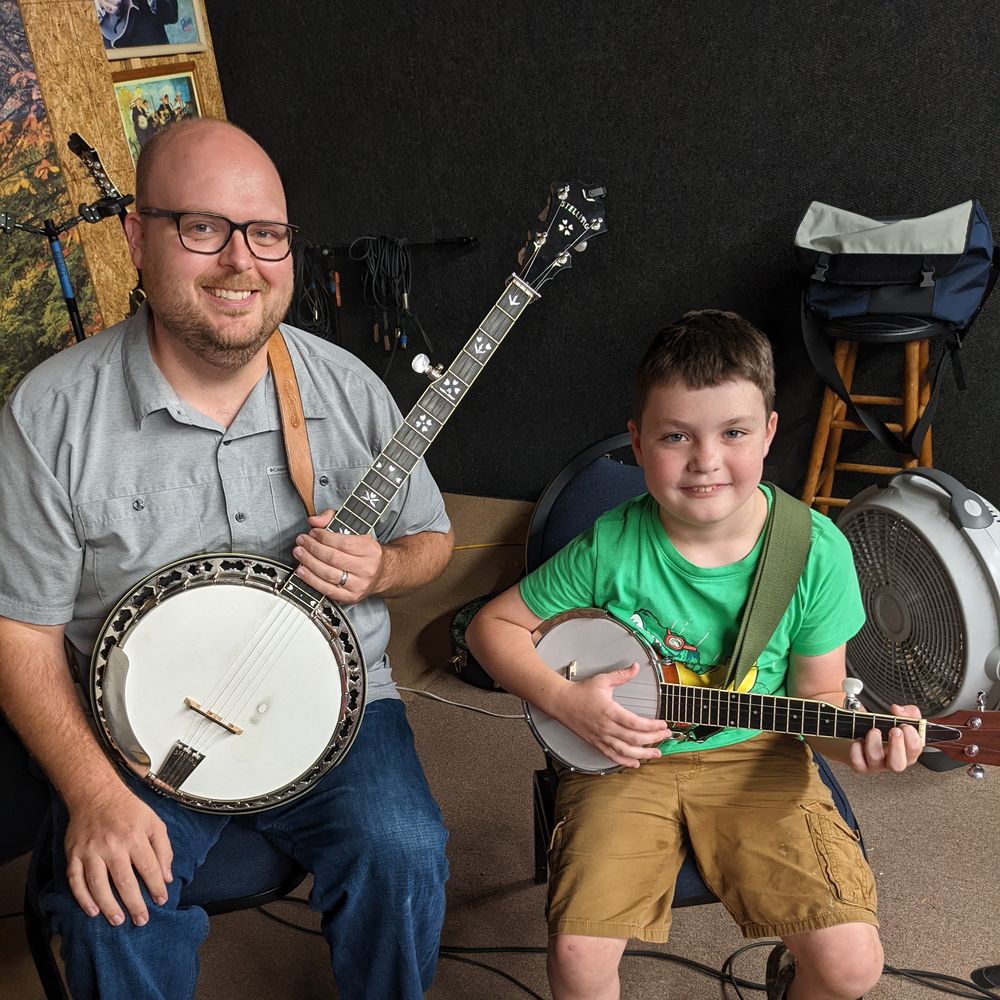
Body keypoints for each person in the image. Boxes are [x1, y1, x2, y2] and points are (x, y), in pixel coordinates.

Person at [0, 118, 454, 1000]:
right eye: (201, 228)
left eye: (267, 233)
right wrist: (95, 795)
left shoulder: (348, 385)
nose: (241, 261)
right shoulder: (49, 415)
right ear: (138, 237)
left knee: (406, 851)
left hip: (339, 705)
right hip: (144, 731)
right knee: (114, 906)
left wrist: (384, 570)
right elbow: (20, 635)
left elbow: (433, 539)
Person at [466, 309, 924, 1000]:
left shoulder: (814, 551)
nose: (706, 460)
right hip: (622, 755)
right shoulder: (613, 544)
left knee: (852, 965)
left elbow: (818, 706)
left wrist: (859, 746)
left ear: (769, 432)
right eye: (676, 436)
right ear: (639, 442)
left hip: (757, 754)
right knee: (579, 959)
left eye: (733, 433)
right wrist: (564, 701)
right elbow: (489, 628)